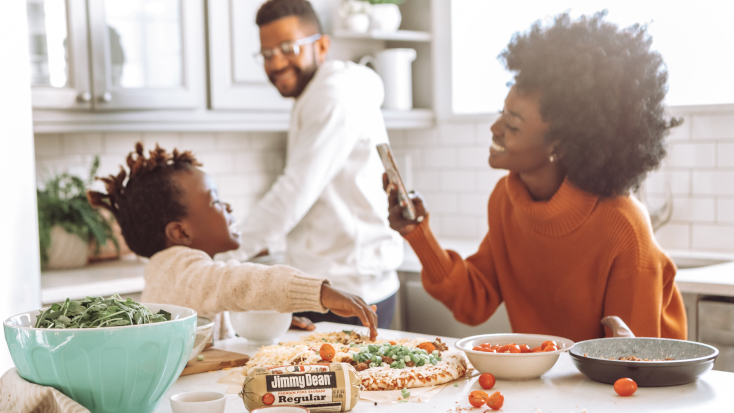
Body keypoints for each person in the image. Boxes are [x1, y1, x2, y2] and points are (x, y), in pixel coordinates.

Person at [384, 12, 687, 342]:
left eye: (512, 124)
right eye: (502, 113)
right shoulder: (506, 199)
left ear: (560, 145)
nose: (494, 128)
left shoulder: (623, 228)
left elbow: (631, 363)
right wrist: (417, 233)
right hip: (554, 385)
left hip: (625, 387)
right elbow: (474, 300)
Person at [223, 0, 403, 329]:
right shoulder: (320, 91)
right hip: (338, 281)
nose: (276, 62)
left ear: (322, 45)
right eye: (266, 54)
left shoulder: (332, 96)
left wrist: (220, 259)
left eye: (288, 47)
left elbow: (293, 192)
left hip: (347, 290)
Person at [87, 143, 379, 341]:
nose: (227, 207)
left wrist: (262, 321)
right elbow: (237, 283)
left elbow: (215, 308)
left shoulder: (173, 270)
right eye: (215, 201)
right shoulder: (180, 268)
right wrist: (320, 292)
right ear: (180, 233)